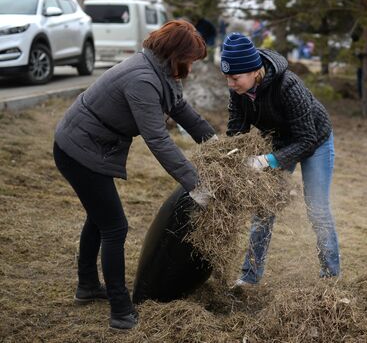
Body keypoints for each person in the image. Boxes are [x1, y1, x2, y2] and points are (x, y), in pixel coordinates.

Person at [53, 20, 216, 330]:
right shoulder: (142, 78)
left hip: (94, 146)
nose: (191, 67)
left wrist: (215, 143)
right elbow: (157, 139)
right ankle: (120, 311)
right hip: (78, 150)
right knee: (115, 226)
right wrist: (196, 185)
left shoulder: (161, 70)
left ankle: (87, 286)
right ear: (174, 53)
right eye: (190, 60)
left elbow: (182, 109)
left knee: (99, 219)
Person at [220, 32, 340, 286]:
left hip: (314, 140)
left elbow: (305, 139)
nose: (230, 84)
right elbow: (236, 129)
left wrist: (266, 161)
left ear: (254, 71)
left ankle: (331, 277)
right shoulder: (239, 91)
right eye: (227, 78)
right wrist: (230, 157)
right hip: (278, 141)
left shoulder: (288, 85)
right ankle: (250, 277)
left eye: (235, 78)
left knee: (316, 208)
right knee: (264, 208)